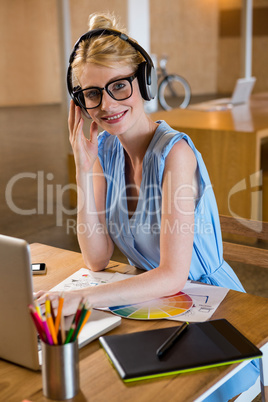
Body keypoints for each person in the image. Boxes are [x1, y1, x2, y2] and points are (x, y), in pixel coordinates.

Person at [38, 12, 259, 400]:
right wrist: (84, 163)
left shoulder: (175, 154)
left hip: (214, 311)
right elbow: (96, 257)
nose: (106, 104)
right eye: (91, 93)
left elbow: (173, 275)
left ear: (143, 83)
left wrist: (77, 298)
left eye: (119, 86)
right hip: (149, 305)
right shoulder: (104, 149)